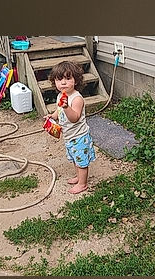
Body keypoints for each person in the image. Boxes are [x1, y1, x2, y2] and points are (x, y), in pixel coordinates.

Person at [48, 61, 96, 194]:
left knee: (81, 161)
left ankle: (82, 184)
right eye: (59, 79)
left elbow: (74, 117)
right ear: (54, 82)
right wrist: (53, 116)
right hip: (69, 136)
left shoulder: (76, 99)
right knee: (75, 158)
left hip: (79, 136)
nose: (63, 82)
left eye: (68, 78)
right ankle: (79, 177)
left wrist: (66, 107)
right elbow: (59, 111)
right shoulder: (60, 96)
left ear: (76, 81)